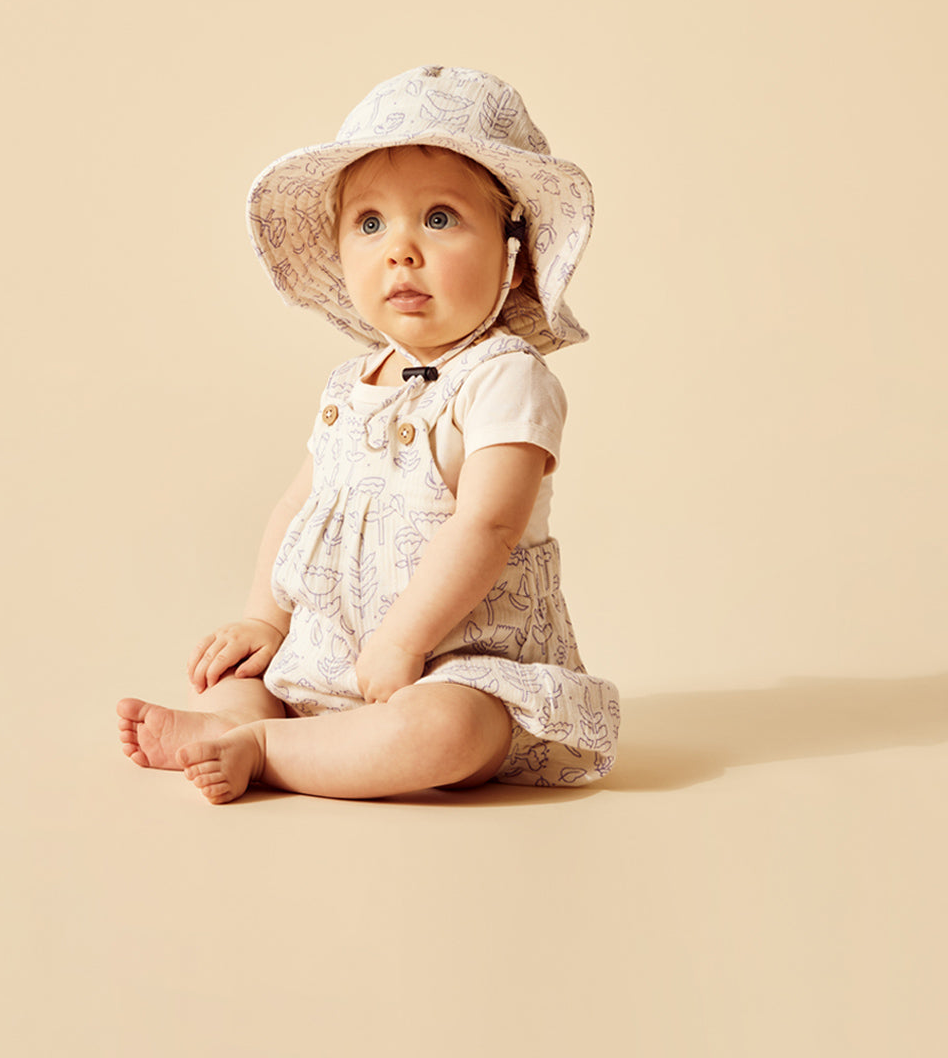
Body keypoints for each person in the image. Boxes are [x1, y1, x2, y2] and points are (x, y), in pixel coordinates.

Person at [117, 65, 620, 804]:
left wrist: (405, 641)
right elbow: (298, 507)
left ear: (514, 261)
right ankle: (236, 724)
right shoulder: (348, 388)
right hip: (329, 652)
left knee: (448, 731)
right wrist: (264, 619)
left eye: (440, 219)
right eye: (371, 223)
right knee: (245, 678)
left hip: (459, 663)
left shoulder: (505, 380)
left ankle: (265, 750)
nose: (401, 250)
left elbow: (489, 525)